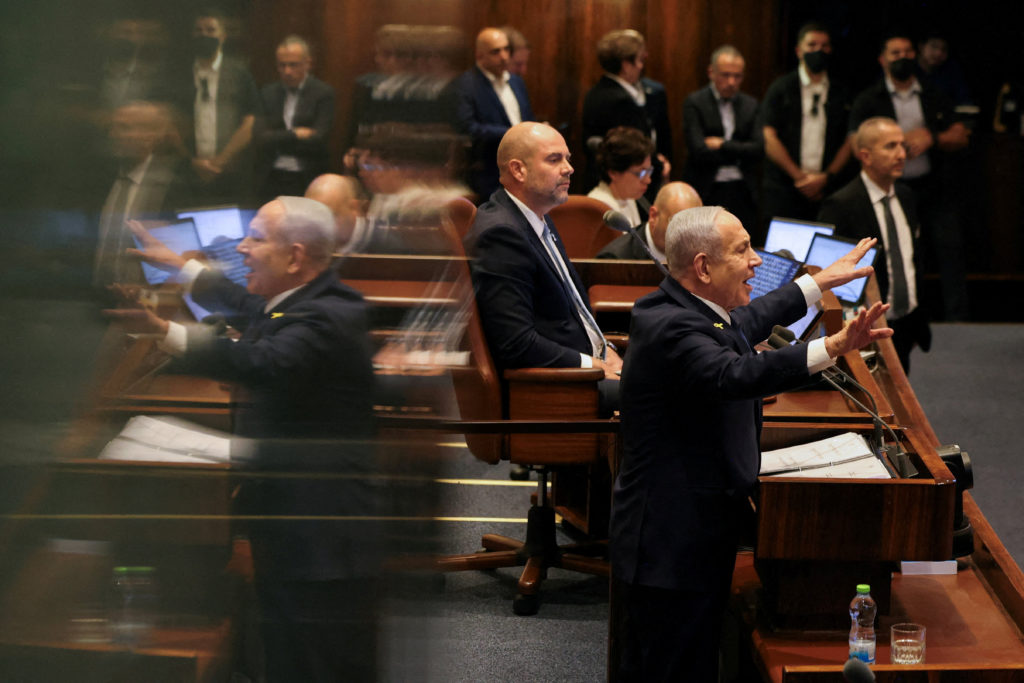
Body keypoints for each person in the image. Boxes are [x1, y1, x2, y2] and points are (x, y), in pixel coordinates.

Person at [610, 205, 892, 681]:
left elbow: (747, 323)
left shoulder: (689, 308)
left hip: (692, 531)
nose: (757, 261)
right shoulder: (672, 326)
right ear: (703, 267)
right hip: (669, 543)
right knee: (667, 667)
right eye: (743, 251)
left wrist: (818, 282)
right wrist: (834, 346)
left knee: (694, 661)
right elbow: (733, 373)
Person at [115, 196, 378, 681]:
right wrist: (183, 268)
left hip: (319, 532)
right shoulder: (306, 299)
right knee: (284, 646)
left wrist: (161, 330)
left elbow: (264, 362)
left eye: (256, 238)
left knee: (306, 658)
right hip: (297, 518)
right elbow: (250, 305)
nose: (242, 246)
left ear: (295, 257)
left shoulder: (324, 317)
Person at [464, 122, 622, 383]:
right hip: (558, 383)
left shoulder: (536, 217)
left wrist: (607, 349)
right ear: (518, 170)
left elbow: (569, 314)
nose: (569, 168)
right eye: (554, 159)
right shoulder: (502, 234)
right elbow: (515, 343)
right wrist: (592, 365)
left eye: (568, 159)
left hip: (587, 366)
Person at [849, 33, 971, 321]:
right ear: (882, 59)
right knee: (900, 255)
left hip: (934, 188)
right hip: (890, 190)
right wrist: (893, 146)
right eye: (895, 53)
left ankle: (959, 322)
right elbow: (856, 144)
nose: (902, 57)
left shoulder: (933, 93)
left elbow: (961, 135)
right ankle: (896, 315)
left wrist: (932, 137)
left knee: (949, 252)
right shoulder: (869, 98)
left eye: (907, 52)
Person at [818, 117, 932, 372]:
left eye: (902, 145)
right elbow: (829, 274)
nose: (902, 154)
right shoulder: (841, 205)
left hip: (906, 321)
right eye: (891, 146)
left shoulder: (906, 196)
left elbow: (913, 258)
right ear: (865, 156)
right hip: (865, 327)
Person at [761, 22, 853, 227]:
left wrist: (825, 177)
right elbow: (769, 137)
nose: (818, 51)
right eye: (812, 45)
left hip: (828, 190)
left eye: (824, 46)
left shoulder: (841, 91)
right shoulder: (780, 88)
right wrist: (800, 178)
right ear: (798, 50)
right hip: (785, 188)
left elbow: (851, 139)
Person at [93, 100, 190, 287]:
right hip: (96, 297)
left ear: (151, 136)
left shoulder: (175, 186)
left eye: (124, 128)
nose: (113, 134)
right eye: (112, 127)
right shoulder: (98, 177)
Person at [166, 10, 259, 204]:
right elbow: (169, 120)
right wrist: (193, 161)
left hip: (231, 171)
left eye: (211, 30)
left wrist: (219, 162)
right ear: (192, 35)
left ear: (223, 36)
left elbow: (250, 121)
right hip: (188, 172)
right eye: (199, 30)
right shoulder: (178, 73)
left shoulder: (240, 73)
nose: (204, 35)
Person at [445, 27, 535, 202]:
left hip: (522, 171)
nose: (504, 56)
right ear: (480, 55)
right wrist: (513, 133)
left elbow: (527, 118)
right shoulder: (464, 86)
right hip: (488, 173)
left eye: (506, 49)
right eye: (496, 51)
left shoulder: (516, 82)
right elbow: (468, 128)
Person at [581, 29, 672, 198]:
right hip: (622, 185)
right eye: (639, 60)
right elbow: (632, 150)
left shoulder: (597, 91)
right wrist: (659, 166)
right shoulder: (619, 100)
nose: (641, 66)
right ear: (625, 64)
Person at [682, 45, 762, 235]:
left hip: (743, 189)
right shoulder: (695, 102)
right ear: (711, 72)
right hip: (708, 188)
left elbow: (759, 149)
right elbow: (698, 151)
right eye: (725, 75)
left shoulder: (751, 104)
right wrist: (740, 153)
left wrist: (722, 145)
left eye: (737, 76)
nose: (732, 82)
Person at [254, 35, 335, 201]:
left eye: (293, 65)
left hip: (306, 176)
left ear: (308, 64)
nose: (287, 71)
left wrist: (277, 138)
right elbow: (259, 137)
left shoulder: (323, 93)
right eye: (282, 65)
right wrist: (295, 134)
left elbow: (319, 138)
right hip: (272, 174)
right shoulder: (267, 93)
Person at [597, 181, 702, 261]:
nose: (687, 235)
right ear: (653, 216)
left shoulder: (701, 253)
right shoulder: (616, 258)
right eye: (678, 223)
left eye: (693, 225)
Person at [587, 126, 656, 228]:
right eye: (641, 173)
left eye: (648, 171)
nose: (648, 180)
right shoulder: (598, 207)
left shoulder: (627, 197)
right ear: (614, 173)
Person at [304, 172, 366, 251]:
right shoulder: (308, 245)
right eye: (316, 219)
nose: (323, 227)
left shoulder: (381, 242)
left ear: (354, 208)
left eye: (331, 217)